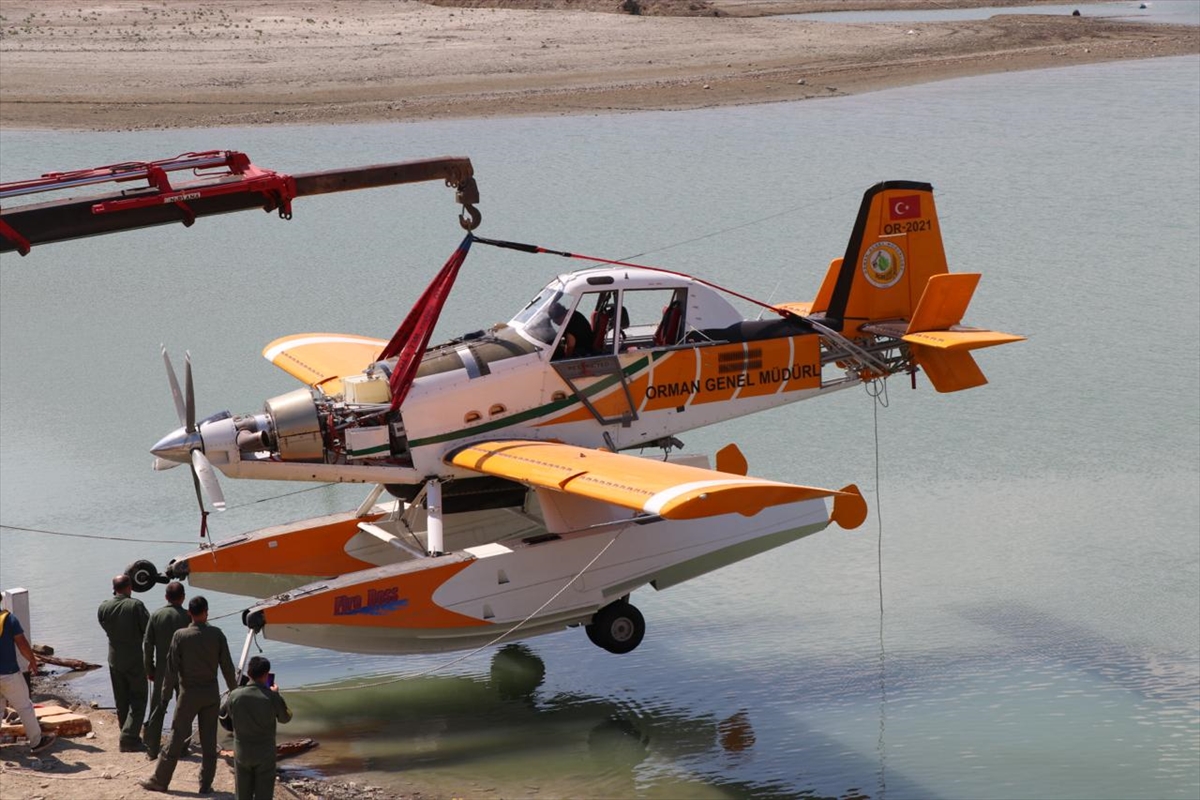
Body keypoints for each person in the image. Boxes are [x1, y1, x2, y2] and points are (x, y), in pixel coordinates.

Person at [140, 595, 237, 795]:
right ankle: (205, 785)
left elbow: (171, 669)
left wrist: (165, 696)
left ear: (189, 614)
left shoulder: (180, 636)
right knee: (209, 741)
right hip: (211, 694)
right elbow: (227, 667)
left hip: (189, 695)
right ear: (206, 612)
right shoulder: (217, 634)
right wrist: (235, 694)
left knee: (176, 737)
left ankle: (160, 780)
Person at [220, 655, 292, 800]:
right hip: (265, 753)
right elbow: (285, 718)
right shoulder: (271, 696)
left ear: (249, 672)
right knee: (264, 793)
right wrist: (277, 695)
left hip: (242, 751)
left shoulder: (235, 695)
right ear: (266, 675)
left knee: (242, 792)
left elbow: (226, 714)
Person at [97, 573, 150, 752]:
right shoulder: (135, 605)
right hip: (134, 658)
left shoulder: (104, 606)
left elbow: (103, 625)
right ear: (130, 587)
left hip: (114, 658)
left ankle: (125, 731)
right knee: (139, 698)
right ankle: (129, 739)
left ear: (114, 589)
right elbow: (148, 630)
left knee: (121, 699)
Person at [142, 580, 190, 759]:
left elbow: (147, 645)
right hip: (183, 669)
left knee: (157, 707)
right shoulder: (187, 616)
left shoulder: (156, 615)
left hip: (162, 668)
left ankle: (152, 748)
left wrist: (150, 668)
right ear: (183, 597)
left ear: (165, 597)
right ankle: (182, 747)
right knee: (183, 707)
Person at [0, 607, 56, 755]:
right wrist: (31, 660)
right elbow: (22, 643)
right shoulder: (9, 619)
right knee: (25, 707)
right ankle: (37, 742)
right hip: (9, 674)